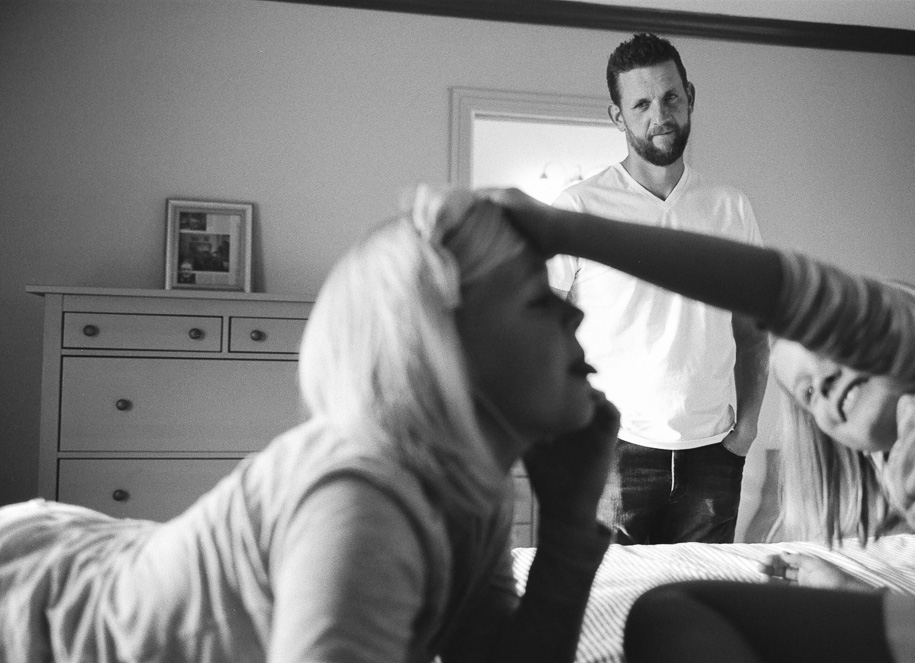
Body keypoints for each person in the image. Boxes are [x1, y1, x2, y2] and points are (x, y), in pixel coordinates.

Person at [0, 186, 619, 663]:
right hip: (35, 596)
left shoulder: (471, 492)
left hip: (101, 547)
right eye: (539, 299)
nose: (577, 310)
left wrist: (567, 527)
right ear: (443, 347)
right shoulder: (365, 496)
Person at [485, 186, 915, 662]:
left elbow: (785, 288)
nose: (822, 383)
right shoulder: (912, 478)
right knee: (665, 609)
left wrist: (566, 229)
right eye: (806, 393)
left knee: (672, 608)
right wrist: (856, 597)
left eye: (833, 345)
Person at [546, 32, 770, 545]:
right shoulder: (579, 208)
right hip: (614, 452)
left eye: (670, 97)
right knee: (613, 602)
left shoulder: (730, 208)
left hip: (716, 451)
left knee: (699, 603)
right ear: (617, 116)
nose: (659, 114)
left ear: (690, 96)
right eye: (641, 103)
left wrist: (747, 429)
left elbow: (753, 333)